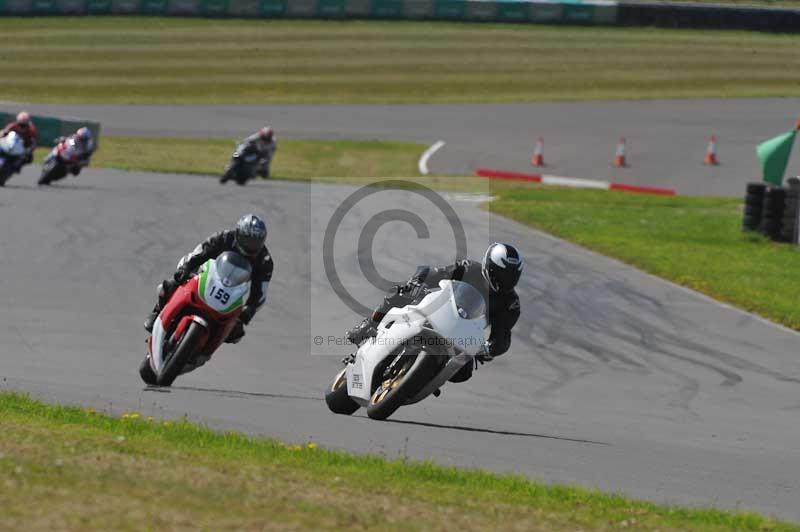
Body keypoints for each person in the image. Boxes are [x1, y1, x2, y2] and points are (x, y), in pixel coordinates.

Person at [346, 243, 523, 383]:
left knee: (463, 373)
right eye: (500, 275)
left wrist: (488, 348)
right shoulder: (469, 268)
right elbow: (434, 273)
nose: (504, 282)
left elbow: (503, 335)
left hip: (462, 335)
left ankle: (419, 379)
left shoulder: (510, 304)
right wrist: (416, 282)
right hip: (438, 310)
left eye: (510, 278)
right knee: (401, 293)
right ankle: (369, 323)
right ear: (488, 266)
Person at [143, 214, 274, 345]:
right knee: (170, 285)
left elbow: (261, 292)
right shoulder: (225, 237)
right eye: (247, 240)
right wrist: (186, 267)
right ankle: (157, 312)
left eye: (255, 242)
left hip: (232, 292)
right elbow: (201, 252)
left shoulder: (264, 260)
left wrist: (249, 309)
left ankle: (205, 349)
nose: (250, 246)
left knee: (236, 332)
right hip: (206, 275)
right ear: (238, 234)